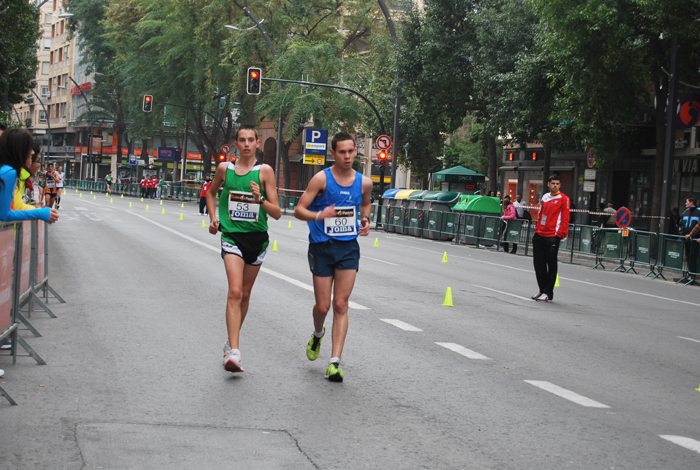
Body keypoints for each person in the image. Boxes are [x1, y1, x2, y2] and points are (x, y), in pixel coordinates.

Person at [293, 131, 373, 383]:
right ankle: (318, 333)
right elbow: (298, 210)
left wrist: (365, 220)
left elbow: (366, 203)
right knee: (323, 306)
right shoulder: (321, 179)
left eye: (351, 151)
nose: (348, 156)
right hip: (322, 247)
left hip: (348, 248)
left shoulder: (364, 182)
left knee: (340, 304)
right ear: (333, 153)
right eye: (342, 152)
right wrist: (320, 215)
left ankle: (334, 362)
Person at [206, 124, 281, 374]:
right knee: (235, 291)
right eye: (242, 140)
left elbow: (277, 213)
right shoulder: (224, 169)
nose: (247, 144)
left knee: (246, 294)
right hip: (231, 236)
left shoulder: (265, 172)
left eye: (251, 140)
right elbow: (210, 193)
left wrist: (261, 199)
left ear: (257, 143)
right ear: (236, 144)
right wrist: (213, 218)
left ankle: (231, 340)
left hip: (257, 239)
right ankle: (235, 352)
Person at [0, 129, 59, 224]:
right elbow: (3, 214)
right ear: (19, 150)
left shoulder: (5, 170)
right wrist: (39, 213)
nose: (32, 152)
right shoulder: (9, 172)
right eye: (29, 148)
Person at [531, 174, 570, 302]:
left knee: (551, 265)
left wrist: (559, 235)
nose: (555, 186)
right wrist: (537, 230)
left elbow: (565, 219)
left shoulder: (564, 199)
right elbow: (541, 213)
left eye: (557, 184)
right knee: (538, 264)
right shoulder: (545, 197)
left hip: (552, 236)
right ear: (548, 184)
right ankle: (541, 289)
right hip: (540, 234)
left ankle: (548, 292)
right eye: (553, 183)